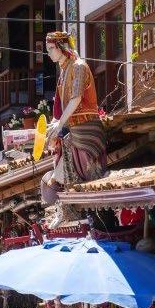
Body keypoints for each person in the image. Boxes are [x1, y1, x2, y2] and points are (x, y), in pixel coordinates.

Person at [40, 31, 108, 228]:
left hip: (87, 126)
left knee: (75, 158)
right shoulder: (63, 72)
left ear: (62, 47)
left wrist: (60, 124)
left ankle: (88, 210)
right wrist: (54, 128)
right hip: (72, 128)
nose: (50, 53)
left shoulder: (78, 66)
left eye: (52, 49)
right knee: (63, 152)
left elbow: (76, 98)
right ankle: (69, 208)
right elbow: (59, 107)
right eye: (48, 50)